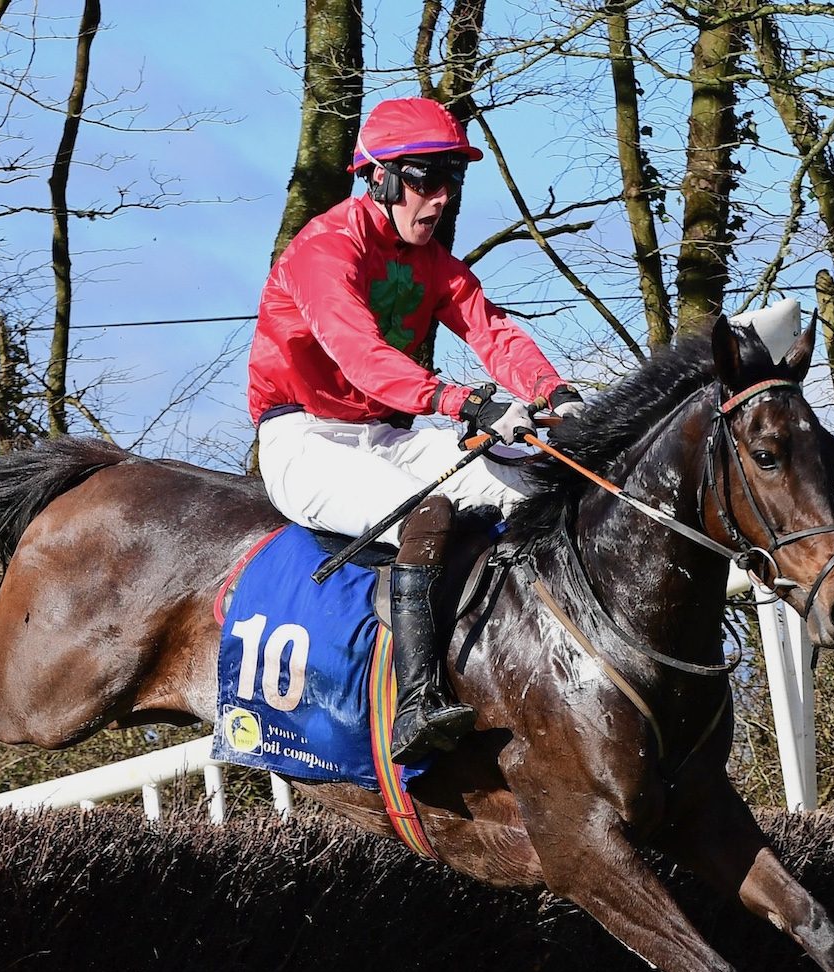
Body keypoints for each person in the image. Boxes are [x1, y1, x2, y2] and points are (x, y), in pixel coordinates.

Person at [248, 96, 587, 763]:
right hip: (305, 440)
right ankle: (416, 704)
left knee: (536, 483)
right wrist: (463, 402)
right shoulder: (324, 248)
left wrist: (558, 394)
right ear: (378, 178)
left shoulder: (434, 263)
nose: (441, 196)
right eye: (426, 179)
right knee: (425, 512)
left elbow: (492, 332)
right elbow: (362, 357)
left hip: (386, 436)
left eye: (452, 180)